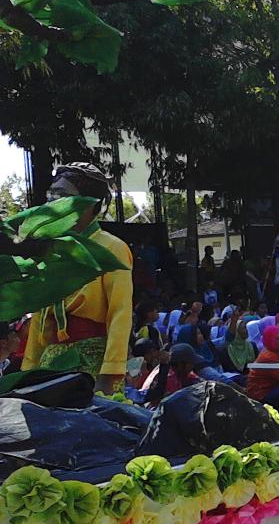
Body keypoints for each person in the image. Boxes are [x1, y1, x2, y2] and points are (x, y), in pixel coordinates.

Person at [22, 163, 133, 394]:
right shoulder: (49, 250)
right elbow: (39, 321)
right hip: (50, 364)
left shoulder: (112, 248)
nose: (53, 202)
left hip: (91, 362)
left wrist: (109, 374)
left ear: (91, 203)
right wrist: (28, 372)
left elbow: (120, 315)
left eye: (62, 195)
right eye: (51, 195)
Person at [247, 324, 279, 414]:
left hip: (271, 388)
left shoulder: (277, 352)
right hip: (261, 395)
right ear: (270, 340)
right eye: (278, 339)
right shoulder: (269, 357)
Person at [141, 342, 202, 407]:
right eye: (191, 363)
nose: (193, 365)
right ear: (180, 364)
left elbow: (195, 379)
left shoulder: (176, 370)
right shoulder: (168, 378)